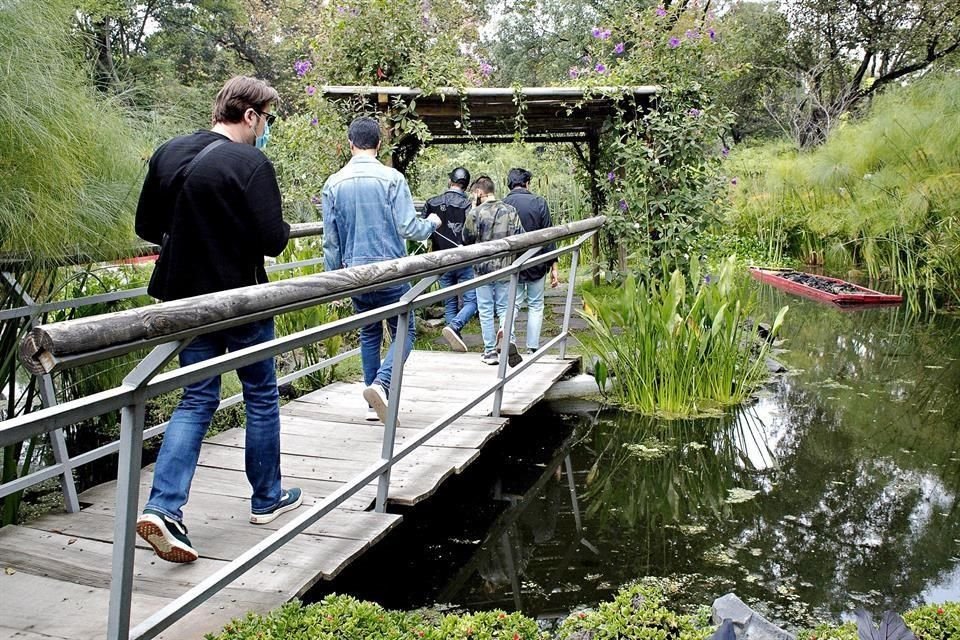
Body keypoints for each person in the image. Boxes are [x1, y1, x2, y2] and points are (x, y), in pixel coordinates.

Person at [133, 75, 302, 564]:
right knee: (261, 396)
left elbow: (146, 227)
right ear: (250, 115)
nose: (265, 127)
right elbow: (273, 238)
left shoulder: (168, 152)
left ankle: (164, 507)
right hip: (240, 300)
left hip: (185, 301)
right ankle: (266, 499)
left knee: (198, 396)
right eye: (265, 118)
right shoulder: (250, 161)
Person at [322, 117, 441, 423]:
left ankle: (373, 400)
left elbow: (331, 241)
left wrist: (333, 279)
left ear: (350, 144)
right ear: (378, 144)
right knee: (406, 331)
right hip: (391, 271)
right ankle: (381, 385)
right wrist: (432, 225)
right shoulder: (392, 179)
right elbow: (408, 226)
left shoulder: (333, 183)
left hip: (355, 275)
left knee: (369, 333)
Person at [462, 176, 524, 367]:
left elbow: (466, 238)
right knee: (505, 307)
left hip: (482, 269)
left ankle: (490, 351)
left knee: (486, 309)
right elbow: (521, 236)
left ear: (480, 192)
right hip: (506, 267)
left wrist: (473, 208)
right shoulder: (510, 210)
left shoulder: (476, 212)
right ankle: (507, 338)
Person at [502, 167, 560, 354]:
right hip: (537, 261)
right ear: (527, 183)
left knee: (512, 303)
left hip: (512, 264)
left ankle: (508, 339)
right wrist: (554, 266)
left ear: (509, 184)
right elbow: (548, 237)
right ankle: (532, 348)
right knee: (536, 304)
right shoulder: (539, 202)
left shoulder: (503, 205)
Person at [424, 167, 477, 352]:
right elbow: (472, 233)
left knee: (450, 301)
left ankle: (454, 338)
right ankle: (455, 327)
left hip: (442, 259)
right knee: (472, 301)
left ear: (450, 181)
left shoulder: (432, 202)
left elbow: (426, 231)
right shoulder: (469, 205)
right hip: (465, 259)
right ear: (467, 185)